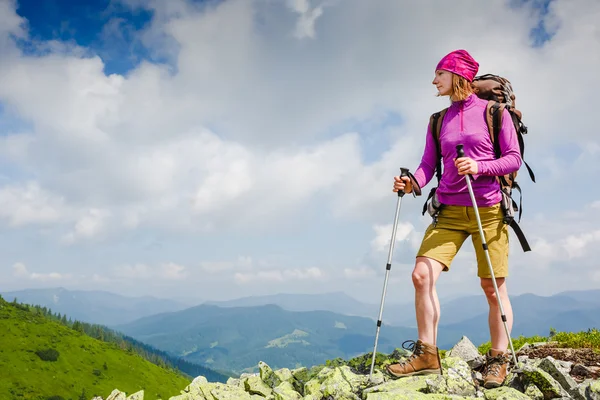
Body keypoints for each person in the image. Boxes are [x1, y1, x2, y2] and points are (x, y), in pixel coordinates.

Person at [386, 49, 522, 389]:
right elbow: (427, 164)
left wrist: (480, 167)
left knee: (492, 287)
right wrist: (412, 182)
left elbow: (513, 159)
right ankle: (427, 355)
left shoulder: (494, 113)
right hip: (447, 211)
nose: (434, 81)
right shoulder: (438, 120)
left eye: (439, 75)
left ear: (458, 76)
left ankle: (498, 359)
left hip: (488, 209)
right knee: (420, 275)